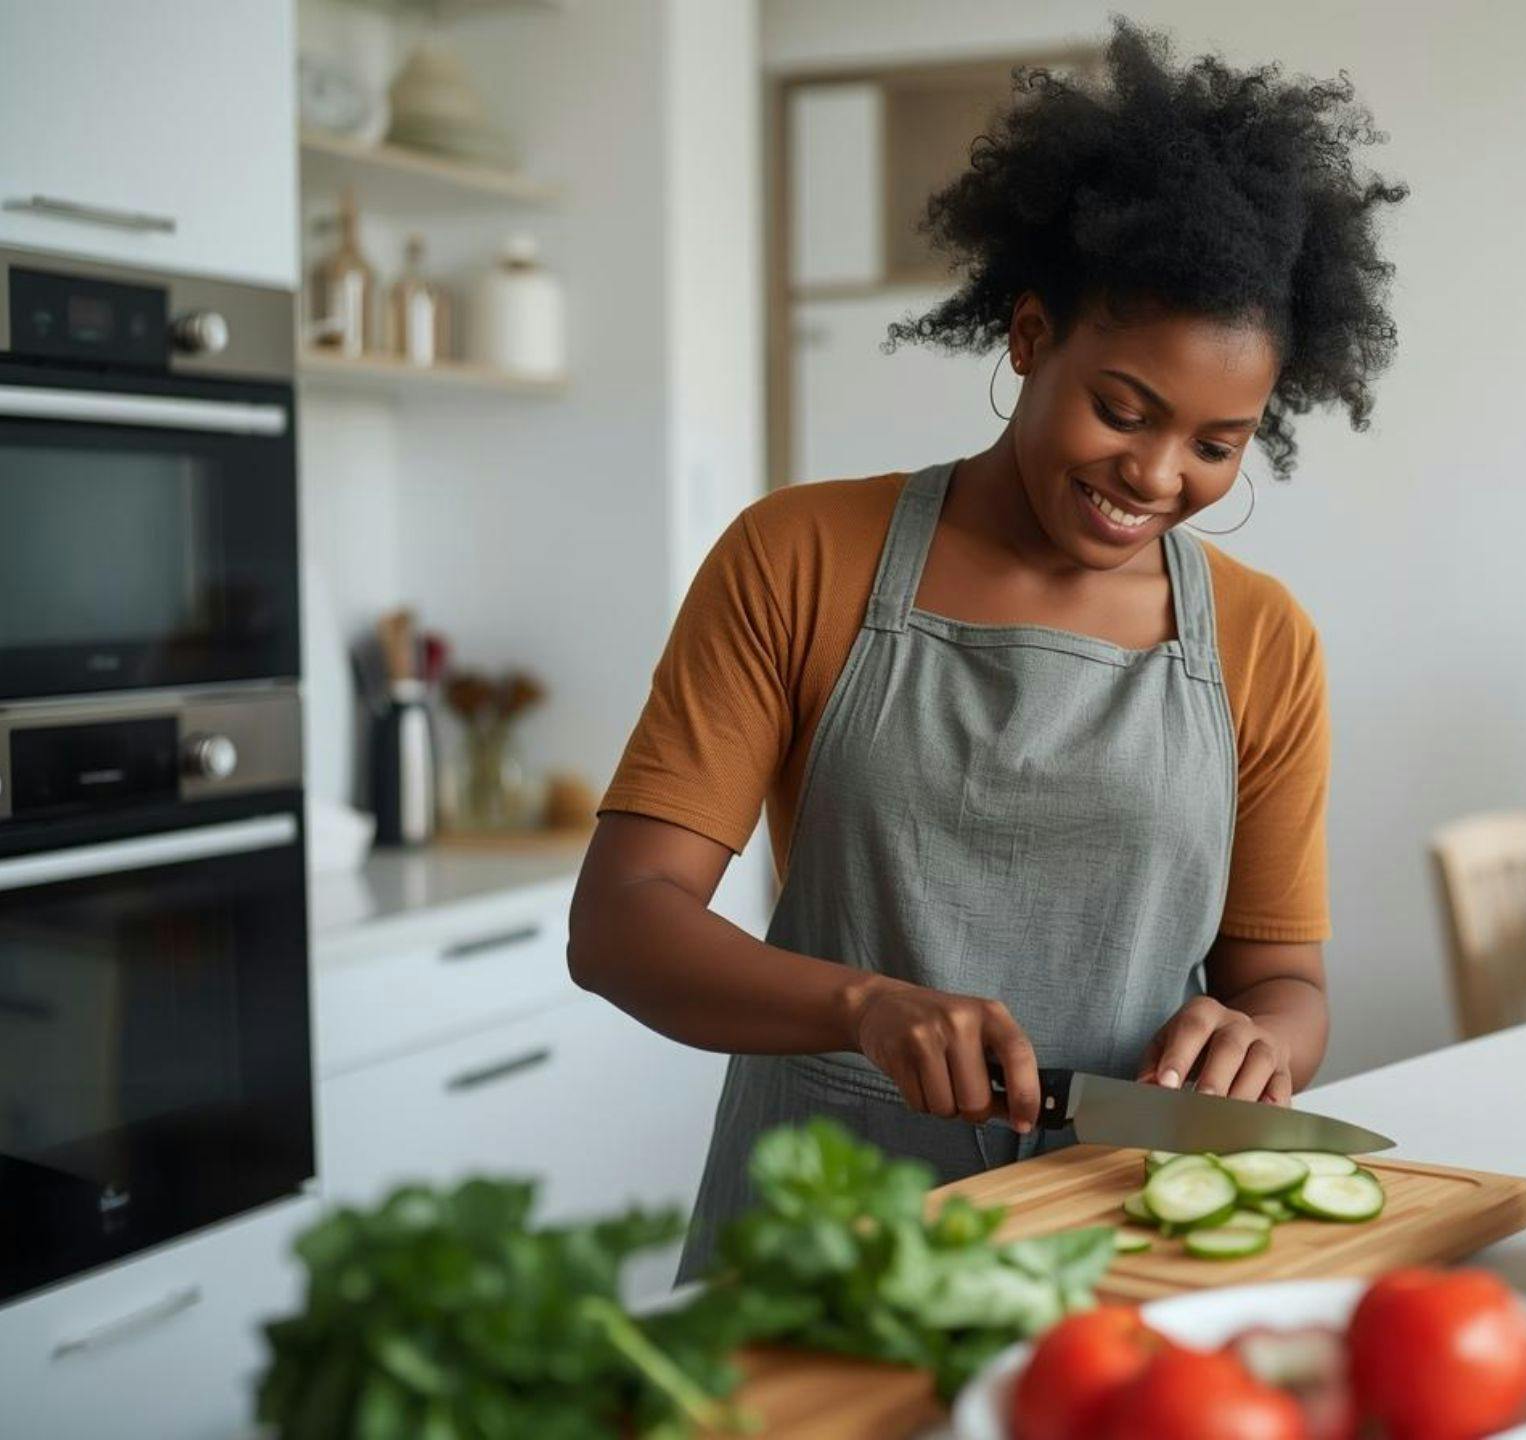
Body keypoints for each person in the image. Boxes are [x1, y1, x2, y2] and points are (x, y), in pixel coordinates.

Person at [564, 23, 1405, 1272]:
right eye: (1122, 409)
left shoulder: (1260, 637)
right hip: (820, 1232)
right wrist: (860, 1005)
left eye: (1217, 444)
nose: (1157, 475)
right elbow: (622, 922)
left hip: (1122, 1230)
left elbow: (1282, 977)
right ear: (1025, 337)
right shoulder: (801, 555)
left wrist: (1262, 1043)